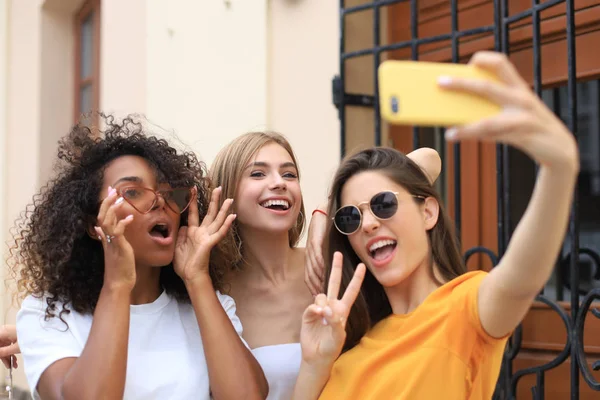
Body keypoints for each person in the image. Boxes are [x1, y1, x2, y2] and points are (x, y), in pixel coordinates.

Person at [292, 51, 580, 399]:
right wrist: (313, 365)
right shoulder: (347, 343)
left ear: (429, 213)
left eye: (384, 205)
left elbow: (524, 276)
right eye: (351, 217)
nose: (367, 224)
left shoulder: (464, 310)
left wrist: (558, 169)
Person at [11, 115, 268, 400]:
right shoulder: (50, 314)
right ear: (92, 226)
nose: (159, 200)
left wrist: (197, 278)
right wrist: (117, 285)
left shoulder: (209, 305)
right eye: (132, 191)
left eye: (169, 193)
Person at [209, 131, 441, 399]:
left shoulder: (335, 261)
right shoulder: (216, 294)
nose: (279, 183)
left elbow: (429, 160)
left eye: (289, 174)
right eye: (258, 174)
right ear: (227, 192)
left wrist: (326, 212)